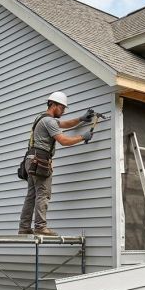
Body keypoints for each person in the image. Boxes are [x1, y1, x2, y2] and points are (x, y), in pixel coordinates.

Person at [18, 91, 96, 236]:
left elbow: (64, 124)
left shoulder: (41, 118)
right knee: (43, 194)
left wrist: (81, 119)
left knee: (31, 195)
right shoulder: (49, 121)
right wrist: (82, 136)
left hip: (31, 159)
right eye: (62, 107)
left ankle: (24, 227)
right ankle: (40, 227)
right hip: (40, 160)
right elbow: (64, 141)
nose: (64, 111)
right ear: (53, 105)